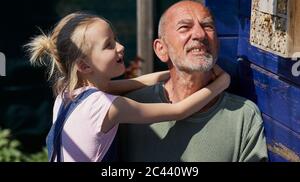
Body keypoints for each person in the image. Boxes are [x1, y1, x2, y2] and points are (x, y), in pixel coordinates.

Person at [26, 11, 230, 162]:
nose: (121, 47)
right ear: (84, 65)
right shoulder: (106, 107)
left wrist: (175, 71)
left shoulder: (67, 95)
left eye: (115, 40)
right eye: (109, 45)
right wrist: (222, 82)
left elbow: (133, 84)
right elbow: (178, 111)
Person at [119, 0, 269, 162]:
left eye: (208, 26)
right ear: (161, 49)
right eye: (185, 27)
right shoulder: (131, 107)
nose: (200, 34)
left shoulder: (243, 116)